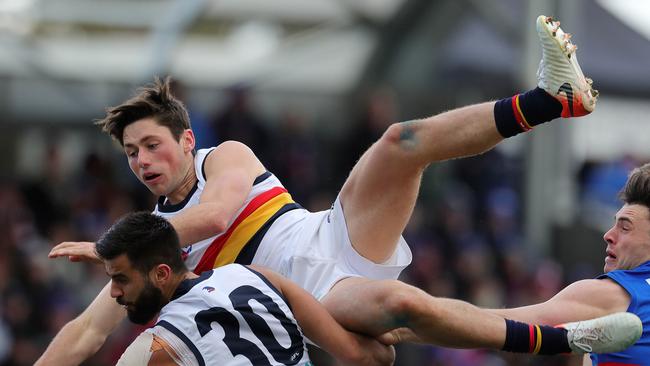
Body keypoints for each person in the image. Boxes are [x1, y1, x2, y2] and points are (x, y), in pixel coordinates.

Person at [39, 15, 634, 364]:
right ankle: (561, 340)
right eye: (131, 154)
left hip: (334, 230)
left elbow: (217, 215)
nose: (143, 160)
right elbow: (87, 331)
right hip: (319, 299)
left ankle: (553, 99)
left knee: (401, 141)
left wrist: (106, 247)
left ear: (189, 140)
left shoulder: (226, 159)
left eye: (152, 144)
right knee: (402, 307)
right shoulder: (144, 243)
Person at [97, 211, 394, 366]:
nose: (113, 293)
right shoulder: (254, 276)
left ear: (161, 273)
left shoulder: (156, 346)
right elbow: (367, 357)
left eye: (121, 279)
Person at [485, 163, 650, 365]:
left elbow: (493, 327)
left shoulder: (616, 294)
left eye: (625, 228)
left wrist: (435, 315)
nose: (608, 235)